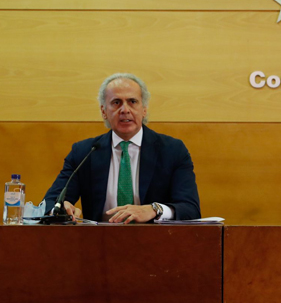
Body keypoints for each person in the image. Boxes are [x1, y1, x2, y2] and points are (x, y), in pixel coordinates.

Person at [44, 73, 200, 223]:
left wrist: (154, 209)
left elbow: (190, 209)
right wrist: (60, 208)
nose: (125, 110)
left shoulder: (172, 151)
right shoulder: (84, 152)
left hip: (155, 238)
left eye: (132, 101)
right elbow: (49, 203)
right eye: (116, 102)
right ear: (104, 111)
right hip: (99, 239)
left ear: (144, 109)